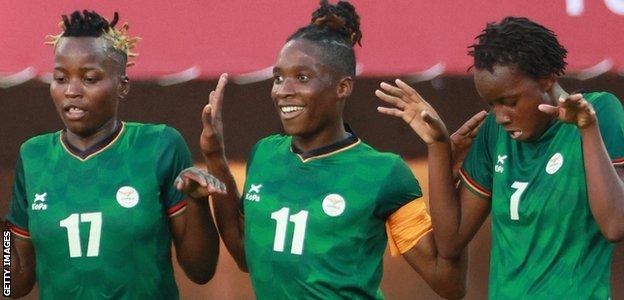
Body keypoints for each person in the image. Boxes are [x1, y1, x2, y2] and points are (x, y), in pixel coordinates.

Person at [176, 1, 488, 298]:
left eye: (301, 77)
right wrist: (215, 157)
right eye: (278, 78)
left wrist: (438, 154)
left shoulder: (382, 173)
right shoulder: (265, 154)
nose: (283, 91)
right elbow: (246, 255)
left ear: (343, 87)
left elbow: (448, 284)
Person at [375, 16, 624, 299]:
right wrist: (438, 146)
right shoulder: (495, 132)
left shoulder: (600, 110)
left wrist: (587, 128)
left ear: (547, 78)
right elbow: (450, 242)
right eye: (492, 104)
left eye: (510, 102)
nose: (501, 116)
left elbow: (615, 225)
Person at [2, 10, 220, 299]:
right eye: (60, 78)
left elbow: (201, 271)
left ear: (122, 86)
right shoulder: (34, 156)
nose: (72, 91)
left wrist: (197, 203)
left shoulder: (159, 145)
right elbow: (11, 284)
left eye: (89, 78)